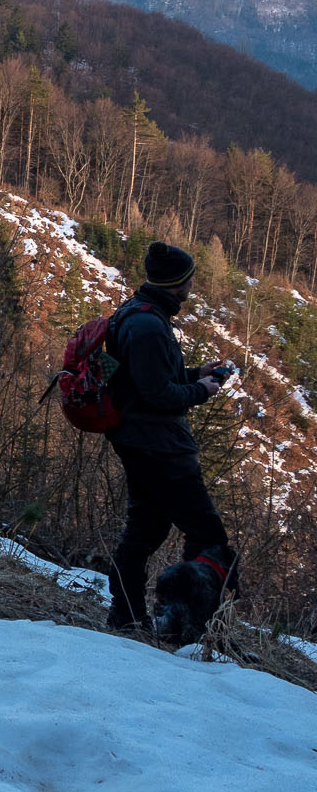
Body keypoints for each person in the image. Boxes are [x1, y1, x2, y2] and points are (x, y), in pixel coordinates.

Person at [103, 241, 237, 630]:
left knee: (145, 531)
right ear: (177, 283)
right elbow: (158, 394)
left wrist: (195, 373)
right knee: (208, 536)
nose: (192, 286)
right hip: (160, 447)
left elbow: (146, 379)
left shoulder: (138, 313)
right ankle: (189, 623)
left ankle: (128, 616)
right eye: (190, 279)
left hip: (140, 441)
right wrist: (203, 390)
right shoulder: (147, 325)